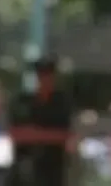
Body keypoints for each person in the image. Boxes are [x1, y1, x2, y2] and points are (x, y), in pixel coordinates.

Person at [9, 58, 74, 186]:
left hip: (51, 169)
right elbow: (14, 133)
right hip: (24, 169)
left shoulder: (61, 103)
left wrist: (34, 134)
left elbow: (66, 135)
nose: (44, 79)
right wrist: (46, 135)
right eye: (42, 74)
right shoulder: (24, 101)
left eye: (48, 75)